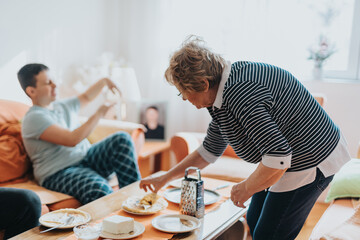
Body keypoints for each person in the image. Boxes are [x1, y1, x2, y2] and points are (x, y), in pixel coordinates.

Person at [140, 36, 351, 239]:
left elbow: (278, 157)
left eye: (183, 92)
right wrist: (164, 178)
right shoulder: (219, 93)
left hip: (312, 158)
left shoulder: (240, 93)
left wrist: (246, 187)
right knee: (253, 217)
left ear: (203, 84)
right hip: (286, 158)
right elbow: (209, 150)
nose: (185, 98)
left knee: (269, 234)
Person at [18, 63, 141, 205]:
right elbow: (72, 139)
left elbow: (86, 97)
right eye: (48, 83)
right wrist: (99, 114)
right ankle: (118, 219)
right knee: (100, 190)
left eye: (54, 80)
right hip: (59, 172)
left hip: (86, 157)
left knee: (122, 139)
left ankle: (134, 201)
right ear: (32, 91)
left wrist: (105, 81)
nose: (55, 85)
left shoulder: (62, 106)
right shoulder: (34, 118)